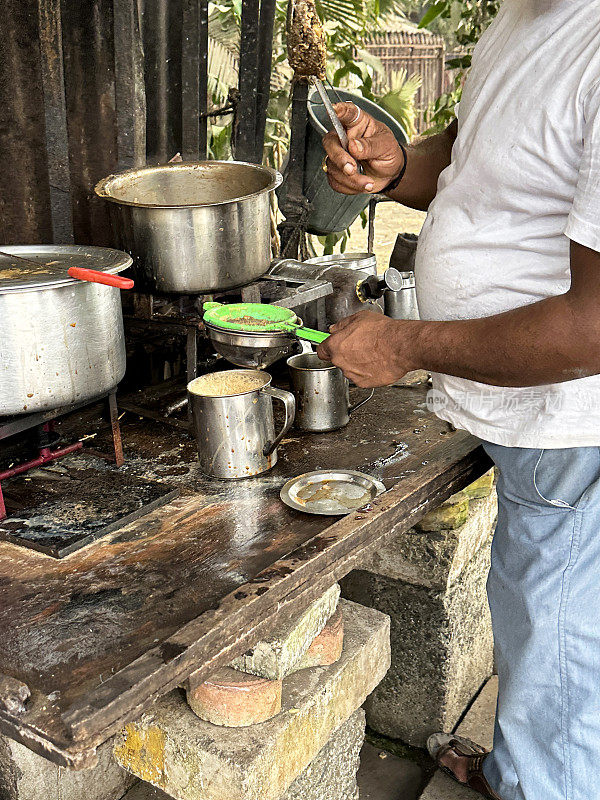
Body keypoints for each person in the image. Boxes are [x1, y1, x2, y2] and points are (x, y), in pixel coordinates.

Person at [317, 2, 600, 799]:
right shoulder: (526, 15)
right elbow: (479, 160)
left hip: (574, 422)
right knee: (538, 623)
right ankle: (523, 771)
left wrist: (404, 344)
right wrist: (396, 164)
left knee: (564, 658)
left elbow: (592, 329)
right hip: (533, 424)